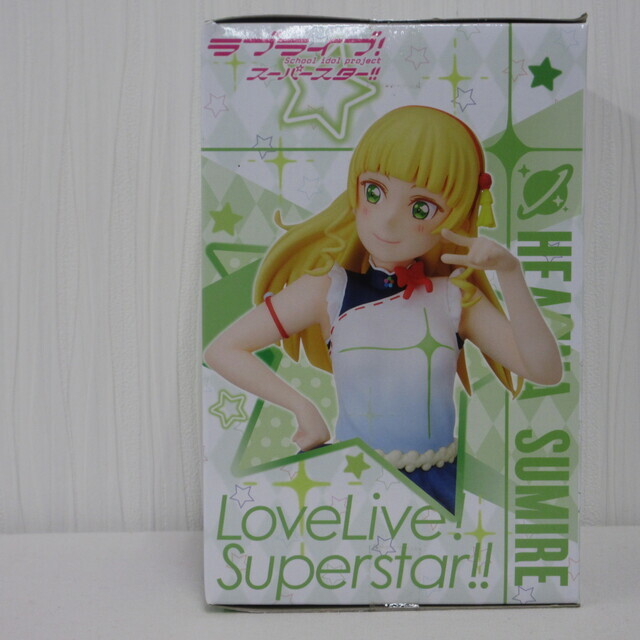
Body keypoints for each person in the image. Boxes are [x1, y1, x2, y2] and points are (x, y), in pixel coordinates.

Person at [204, 105, 562, 512]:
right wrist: (303, 407)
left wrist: (510, 273)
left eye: (421, 208)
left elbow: (544, 371)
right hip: (353, 485)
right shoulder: (329, 290)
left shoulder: (454, 297)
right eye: (374, 191)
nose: (389, 220)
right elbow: (223, 349)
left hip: (439, 486)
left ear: (458, 215)